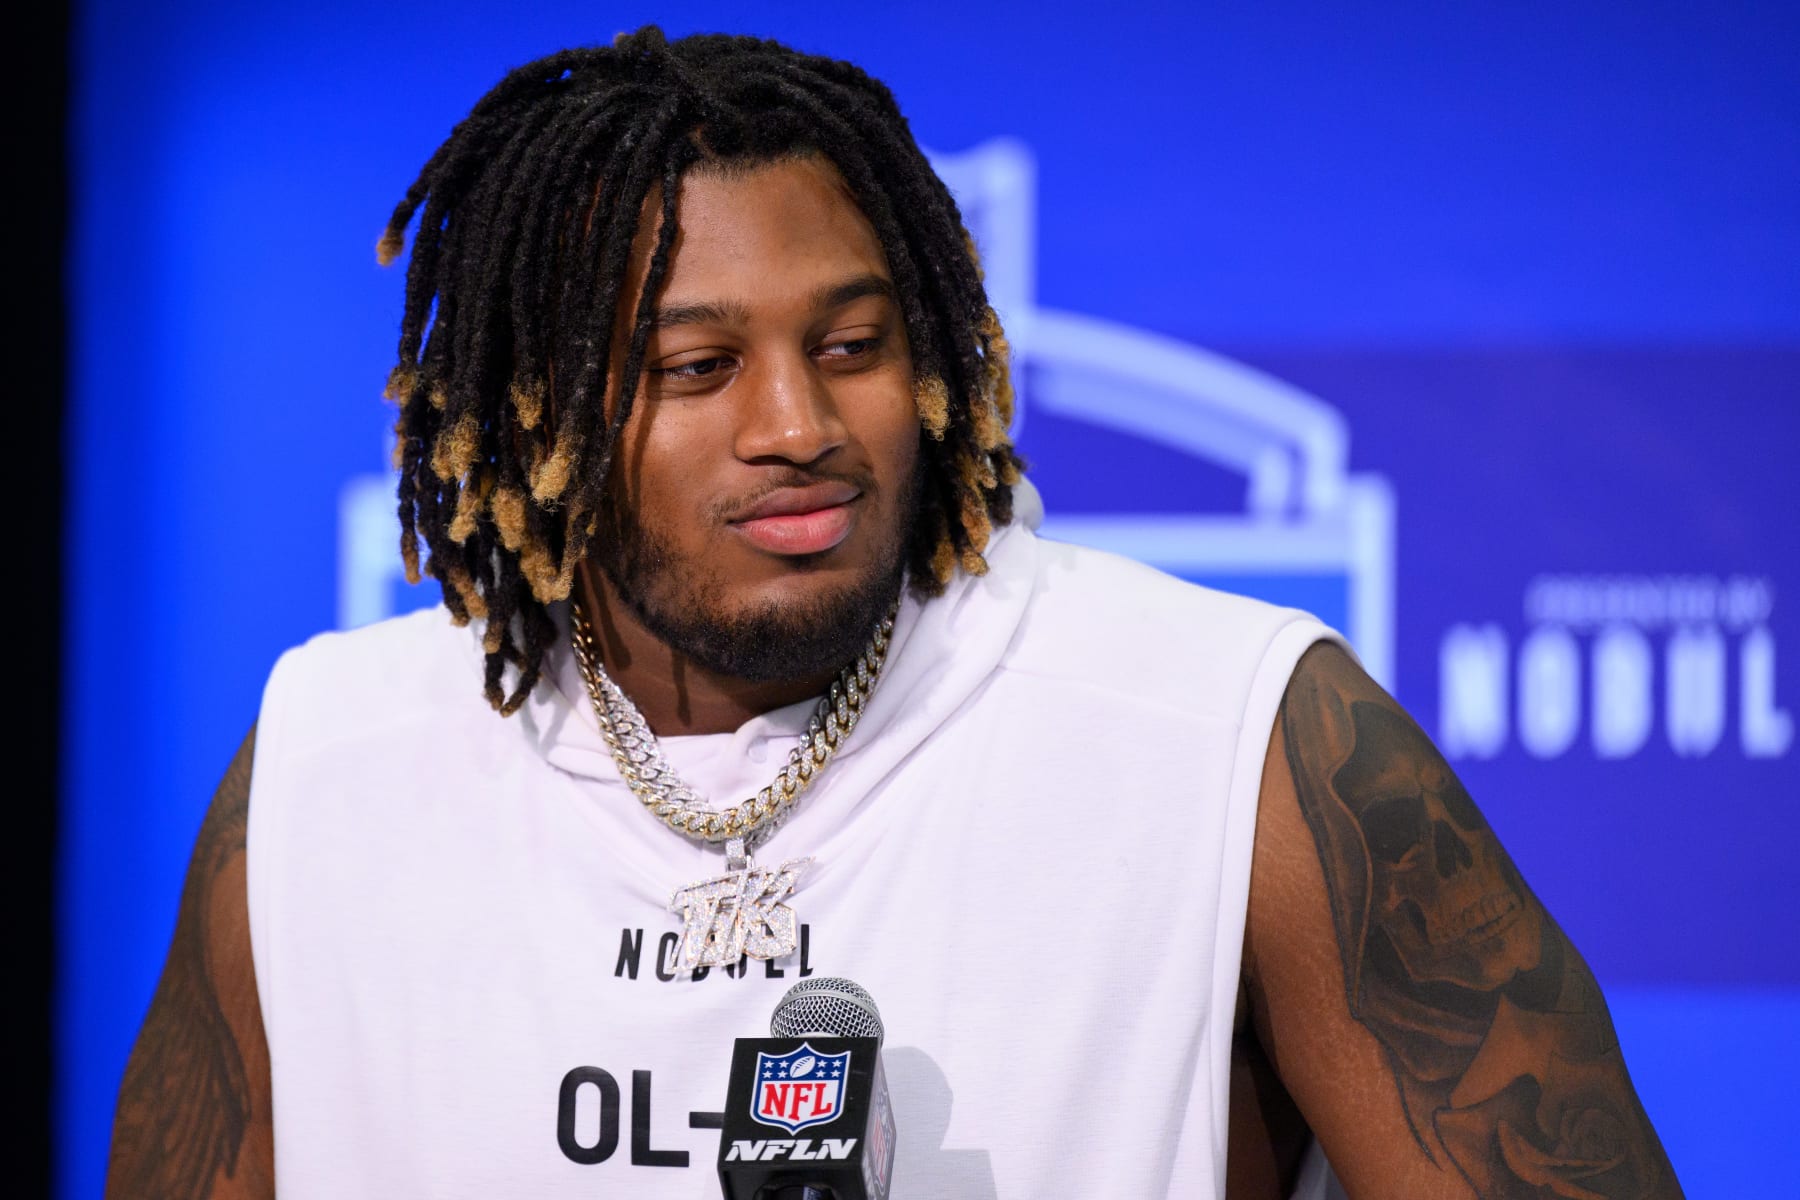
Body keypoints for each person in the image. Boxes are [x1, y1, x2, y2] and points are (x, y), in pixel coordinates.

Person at [106, 27, 1682, 1200]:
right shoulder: (329, 771)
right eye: (696, 368)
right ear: (539, 418)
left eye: (852, 345)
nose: (798, 422)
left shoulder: (1238, 738)